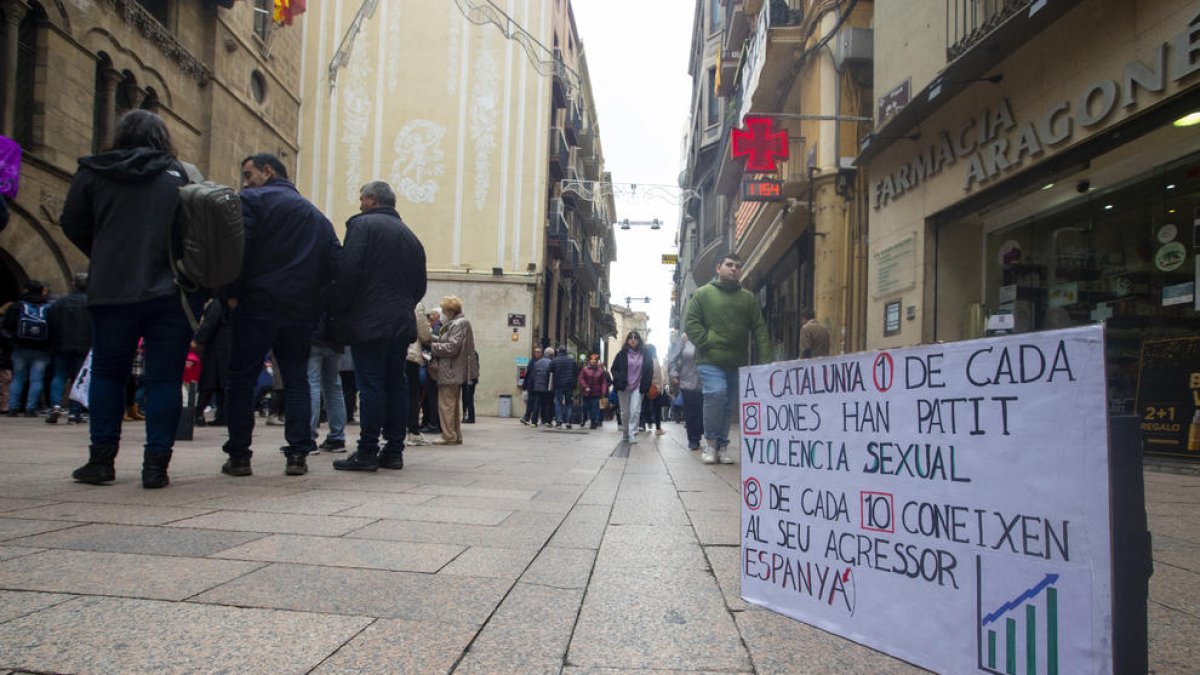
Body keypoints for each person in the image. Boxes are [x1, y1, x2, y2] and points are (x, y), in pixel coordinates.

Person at [59, 110, 200, 488]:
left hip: (111, 290)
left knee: (108, 372)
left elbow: (72, 222)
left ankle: (101, 461)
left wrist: (104, 253)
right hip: (169, 292)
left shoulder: (93, 171)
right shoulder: (180, 175)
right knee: (164, 379)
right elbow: (196, 233)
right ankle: (156, 467)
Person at [220, 152, 340, 478]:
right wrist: (315, 303)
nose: (245, 181)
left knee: (242, 379)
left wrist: (230, 294)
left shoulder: (251, 201)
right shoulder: (315, 216)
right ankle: (298, 454)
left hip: (255, 303)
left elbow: (235, 249)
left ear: (268, 171)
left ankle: (240, 455)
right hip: (299, 311)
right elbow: (334, 266)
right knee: (297, 380)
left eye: (248, 174)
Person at [330, 181, 425, 472]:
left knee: (370, 385)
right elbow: (419, 286)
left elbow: (348, 271)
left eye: (361, 199)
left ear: (372, 200)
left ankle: (367, 450)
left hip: (369, 320)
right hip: (399, 321)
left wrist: (340, 310)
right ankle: (394, 450)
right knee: (397, 384)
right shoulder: (411, 237)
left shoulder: (363, 226)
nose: (359, 204)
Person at [685, 252, 769, 464]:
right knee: (716, 393)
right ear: (718, 267)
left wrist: (767, 363)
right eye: (729, 264)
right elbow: (691, 323)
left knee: (729, 406)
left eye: (738, 266)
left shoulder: (748, 299)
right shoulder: (703, 294)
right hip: (709, 360)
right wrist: (707, 342)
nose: (734, 269)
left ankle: (722, 446)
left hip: (736, 362)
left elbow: (759, 329)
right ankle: (710, 444)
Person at [429, 295, 475, 446]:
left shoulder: (457, 324)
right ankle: (455, 435)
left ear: (450, 311)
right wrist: (435, 339)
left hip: (449, 369)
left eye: (443, 310)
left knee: (446, 404)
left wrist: (432, 346)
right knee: (453, 405)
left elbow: (452, 347)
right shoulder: (461, 323)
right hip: (454, 369)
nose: (442, 313)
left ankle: (448, 435)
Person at [45, 273, 92, 424]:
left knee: (59, 375)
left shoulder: (59, 303)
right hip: (83, 345)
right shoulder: (91, 303)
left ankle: (55, 405)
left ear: (74, 284)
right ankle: (74, 412)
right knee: (79, 379)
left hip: (61, 344)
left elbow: (50, 322)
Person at [3, 280, 52, 417]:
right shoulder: (48, 308)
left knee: (18, 378)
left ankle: (13, 408)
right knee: (36, 379)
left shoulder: (17, 306)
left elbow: (6, 327)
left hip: (20, 348)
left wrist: (11, 342)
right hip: (41, 349)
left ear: (25, 290)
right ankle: (31, 408)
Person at [307, 313, 347, 452]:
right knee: (334, 386)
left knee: (312, 383)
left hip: (313, 333)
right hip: (336, 336)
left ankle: (308, 437)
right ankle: (337, 437)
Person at [192, 299, 232, 427]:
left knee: (209, 382)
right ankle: (223, 415)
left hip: (216, 347)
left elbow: (209, 324)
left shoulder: (217, 303)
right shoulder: (233, 301)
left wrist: (197, 340)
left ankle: (198, 413)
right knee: (223, 384)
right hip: (228, 346)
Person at [609, 331, 653, 444]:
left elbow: (649, 371)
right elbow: (614, 369)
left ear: (639, 340)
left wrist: (646, 385)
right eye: (630, 338)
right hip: (623, 387)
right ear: (627, 340)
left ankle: (632, 434)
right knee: (624, 412)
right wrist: (618, 380)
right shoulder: (621, 354)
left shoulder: (646, 354)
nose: (633, 340)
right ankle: (625, 432)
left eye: (635, 338)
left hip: (638, 386)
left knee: (635, 411)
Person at [668, 331, 703, 451]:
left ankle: (709, 437)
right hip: (687, 381)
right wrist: (674, 374)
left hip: (707, 379)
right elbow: (672, 360)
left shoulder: (708, 335)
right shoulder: (683, 339)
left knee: (704, 411)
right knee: (692, 411)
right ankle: (693, 439)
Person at [404, 303, 433, 444]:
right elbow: (424, 334)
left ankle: (389, 430)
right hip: (410, 355)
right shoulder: (416, 303)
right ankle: (413, 431)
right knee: (412, 393)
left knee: (391, 391)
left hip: (388, 351)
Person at [577, 353, 609, 430]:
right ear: (589, 361)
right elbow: (581, 379)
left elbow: (603, 382)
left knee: (594, 408)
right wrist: (585, 387)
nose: (593, 361)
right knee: (585, 407)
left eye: (595, 360)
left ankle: (593, 422)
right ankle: (584, 418)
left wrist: (603, 391)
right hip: (586, 392)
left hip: (596, 393)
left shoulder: (601, 371)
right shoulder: (585, 369)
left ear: (597, 361)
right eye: (592, 360)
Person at [551, 345, 577, 429]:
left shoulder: (555, 360)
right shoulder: (571, 360)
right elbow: (576, 372)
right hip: (569, 385)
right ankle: (568, 421)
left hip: (558, 385)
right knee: (569, 403)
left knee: (558, 402)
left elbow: (548, 370)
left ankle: (559, 421)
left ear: (559, 352)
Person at [530, 346, 554, 427]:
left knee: (536, 404)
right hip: (547, 387)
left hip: (537, 387)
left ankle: (534, 422)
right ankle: (547, 421)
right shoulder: (551, 363)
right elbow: (551, 376)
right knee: (547, 404)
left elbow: (533, 375)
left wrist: (534, 385)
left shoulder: (538, 362)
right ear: (551, 355)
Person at [519, 346, 543, 425]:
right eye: (535, 352)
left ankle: (534, 419)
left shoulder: (542, 362)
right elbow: (528, 373)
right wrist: (525, 385)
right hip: (531, 385)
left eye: (538, 352)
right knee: (530, 402)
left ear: (541, 353)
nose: (536, 353)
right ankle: (527, 417)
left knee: (537, 403)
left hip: (539, 386)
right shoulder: (531, 361)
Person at [462, 350, 479, 423]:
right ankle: (467, 416)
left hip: (469, 379)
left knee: (468, 399)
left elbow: (470, 368)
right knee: (467, 398)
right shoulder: (473, 353)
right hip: (470, 379)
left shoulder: (469, 354)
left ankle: (470, 418)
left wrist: (469, 380)